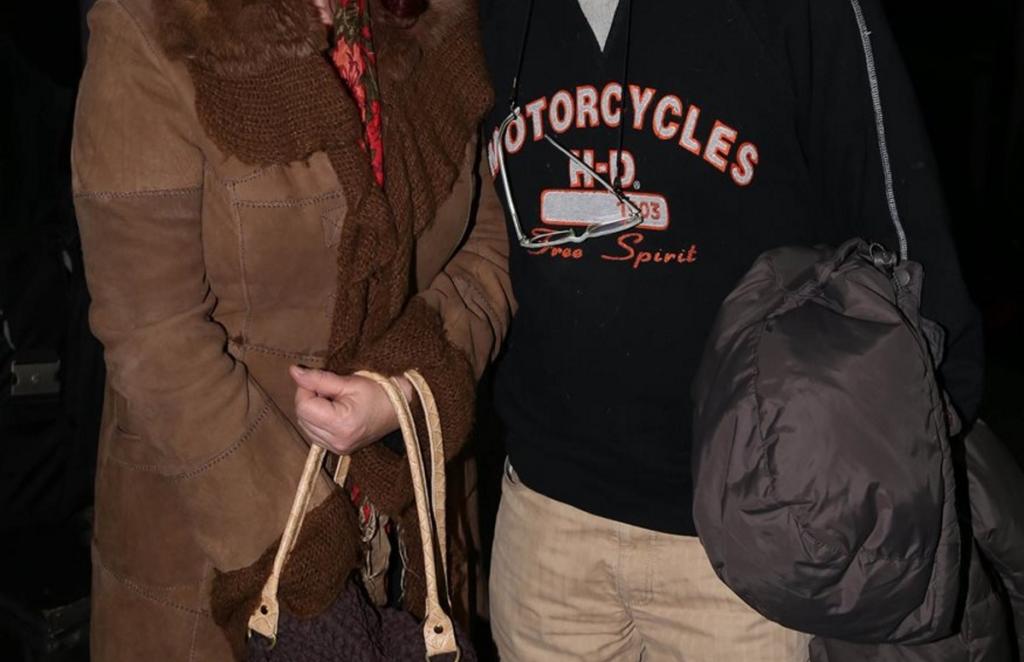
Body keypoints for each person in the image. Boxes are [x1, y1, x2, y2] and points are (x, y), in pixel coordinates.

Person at [476, 0, 982, 659]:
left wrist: (897, 487)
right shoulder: (481, 15)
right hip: (545, 526)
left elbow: (909, 258)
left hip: (754, 537)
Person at [71, 0, 510, 659]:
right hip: (220, 550)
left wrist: (406, 386)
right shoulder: (150, 23)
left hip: (415, 537)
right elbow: (151, 333)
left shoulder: (435, 14)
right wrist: (303, 552)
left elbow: (489, 243)